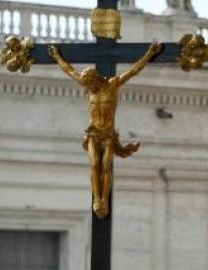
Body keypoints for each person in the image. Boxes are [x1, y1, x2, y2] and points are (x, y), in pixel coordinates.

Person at [48, 42, 162, 218]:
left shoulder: (112, 85)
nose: (88, 88)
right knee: (94, 164)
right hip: (93, 133)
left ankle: (104, 200)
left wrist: (149, 54)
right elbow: (69, 70)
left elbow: (133, 71)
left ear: (95, 79)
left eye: (90, 85)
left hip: (108, 134)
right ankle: (97, 199)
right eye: (87, 86)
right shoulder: (89, 86)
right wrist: (56, 56)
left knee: (106, 166)